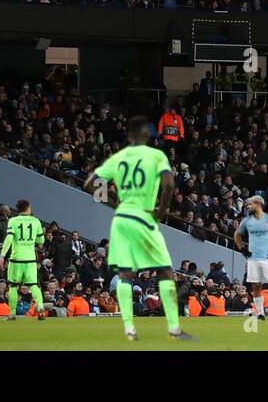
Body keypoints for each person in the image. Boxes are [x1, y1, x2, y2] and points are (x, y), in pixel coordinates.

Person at [83, 115, 195, 341]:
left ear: (128, 135)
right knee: (165, 270)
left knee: (125, 273)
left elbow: (90, 184)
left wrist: (115, 204)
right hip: (144, 216)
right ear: (146, 134)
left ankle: (129, 329)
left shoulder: (120, 157)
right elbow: (169, 183)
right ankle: (174, 328)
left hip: (122, 218)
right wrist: (160, 212)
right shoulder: (155, 155)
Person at [234, 195, 268, 321]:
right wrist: (242, 249)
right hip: (253, 259)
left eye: (250, 204)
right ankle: (260, 314)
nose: (248, 207)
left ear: (258, 204)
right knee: (256, 286)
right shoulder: (247, 221)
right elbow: (237, 234)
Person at [0, 198, 46, 320]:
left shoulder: (13, 221)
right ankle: (41, 308)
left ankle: (12, 314)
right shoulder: (36, 221)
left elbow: (9, 238)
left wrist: (2, 255)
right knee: (33, 285)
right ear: (28, 208)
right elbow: (41, 241)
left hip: (16, 259)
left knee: (13, 286)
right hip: (30, 259)